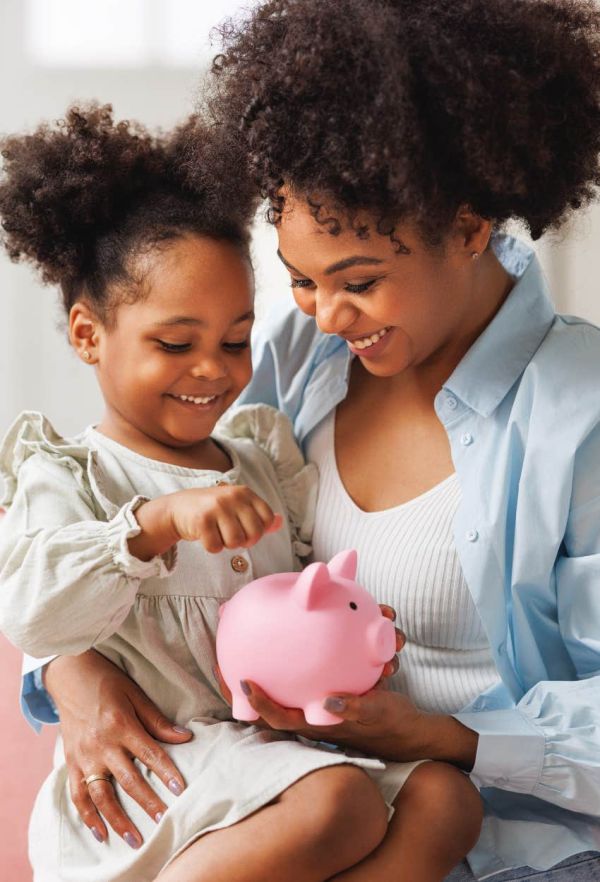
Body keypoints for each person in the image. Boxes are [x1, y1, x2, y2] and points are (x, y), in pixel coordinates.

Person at [11, 0, 600, 879]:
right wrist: (70, 671)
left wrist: (440, 735)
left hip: (497, 833)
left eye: (359, 280)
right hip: (287, 801)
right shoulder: (302, 357)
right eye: (299, 280)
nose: (326, 314)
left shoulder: (578, 410)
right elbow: (85, 539)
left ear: (470, 229)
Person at [0, 103, 485, 882]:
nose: (214, 371)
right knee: (340, 806)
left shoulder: (259, 457)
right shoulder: (67, 475)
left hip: (270, 753)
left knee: (447, 802)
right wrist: (152, 526)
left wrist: (344, 625)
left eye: (235, 340)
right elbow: (33, 610)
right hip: (165, 769)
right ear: (89, 334)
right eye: (174, 343)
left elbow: (298, 588)